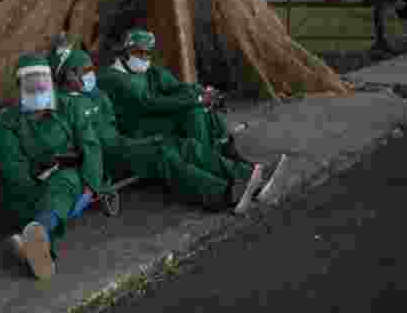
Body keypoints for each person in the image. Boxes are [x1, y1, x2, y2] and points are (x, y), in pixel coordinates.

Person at [51, 44, 265, 213]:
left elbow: (113, 125)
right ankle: (222, 194)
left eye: (90, 68)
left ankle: (246, 175)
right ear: (69, 75)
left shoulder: (96, 95)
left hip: (121, 144)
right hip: (106, 157)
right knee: (163, 154)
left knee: (183, 145)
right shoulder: (62, 105)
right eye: (85, 70)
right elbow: (76, 144)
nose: (91, 74)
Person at [0, 54, 109, 280]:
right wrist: (39, 192)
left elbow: (91, 148)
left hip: (70, 178)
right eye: (31, 84)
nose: (38, 88)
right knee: (47, 199)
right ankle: (39, 235)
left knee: (63, 181)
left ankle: (33, 240)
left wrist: (90, 187)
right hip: (27, 189)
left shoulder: (69, 106)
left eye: (43, 82)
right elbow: (13, 170)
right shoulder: (7, 122)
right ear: (19, 88)